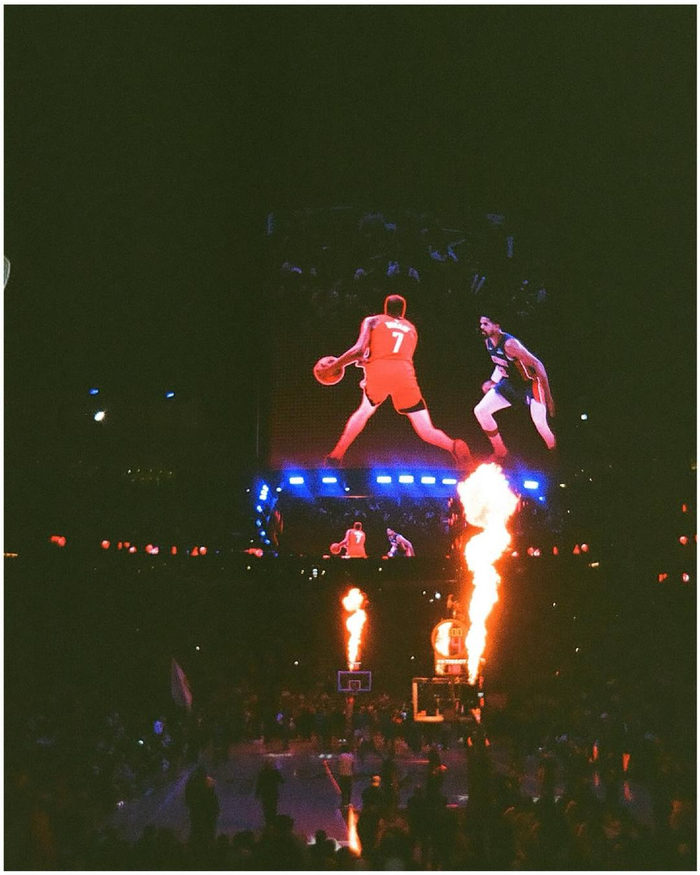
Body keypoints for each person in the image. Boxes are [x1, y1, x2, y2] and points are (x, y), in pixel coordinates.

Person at [317, 294, 473, 469]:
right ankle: (453, 445)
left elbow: (360, 350)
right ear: (402, 311)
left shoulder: (373, 320)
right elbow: (394, 353)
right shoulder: (411, 328)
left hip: (379, 373)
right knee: (426, 430)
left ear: (386, 308)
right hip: (405, 375)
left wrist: (334, 366)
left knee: (363, 412)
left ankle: (336, 456)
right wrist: (366, 362)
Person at [474, 314, 556, 457]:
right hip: (510, 383)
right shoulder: (488, 342)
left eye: (485, 324)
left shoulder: (510, 344)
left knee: (540, 423)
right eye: (481, 324)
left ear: (497, 326)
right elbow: (500, 363)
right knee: (480, 411)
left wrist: (549, 398)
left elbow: (538, 364)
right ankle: (500, 451)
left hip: (530, 384)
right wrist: (493, 381)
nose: (481, 327)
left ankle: (555, 452)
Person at [184, 765, 220, 851]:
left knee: (196, 827)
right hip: (207, 811)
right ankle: (208, 845)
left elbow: (188, 797)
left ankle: (196, 844)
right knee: (208, 828)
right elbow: (212, 797)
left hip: (197, 810)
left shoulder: (191, 783)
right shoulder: (208, 782)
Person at [255, 759, 284, 826]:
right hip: (273, 793)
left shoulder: (262, 773)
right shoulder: (274, 773)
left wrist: (257, 793)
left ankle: (268, 822)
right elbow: (282, 781)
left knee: (267, 808)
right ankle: (272, 821)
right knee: (273, 808)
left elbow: (259, 784)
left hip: (265, 794)